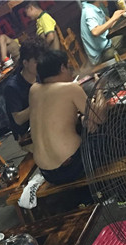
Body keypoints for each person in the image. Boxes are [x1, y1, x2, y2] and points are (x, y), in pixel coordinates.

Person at [27, 49, 96, 208]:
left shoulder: (33, 90)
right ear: (62, 67)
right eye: (69, 67)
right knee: (106, 134)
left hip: (47, 172)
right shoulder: (71, 88)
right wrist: (99, 91)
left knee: (85, 128)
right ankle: (120, 191)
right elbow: (98, 117)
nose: (71, 72)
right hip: (72, 167)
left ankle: (85, 197)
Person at [4, 38, 46, 145]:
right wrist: (39, 102)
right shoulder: (12, 87)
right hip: (27, 134)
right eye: (36, 62)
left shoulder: (40, 73)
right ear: (25, 63)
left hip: (44, 120)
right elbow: (18, 119)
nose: (41, 64)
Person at [79, 1, 125, 65]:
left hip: (106, 43)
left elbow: (109, 22)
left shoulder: (95, 6)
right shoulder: (89, 11)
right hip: (100, 55)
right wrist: (113, 18)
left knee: (125, 35)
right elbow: (95, 32)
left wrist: (119, 15)